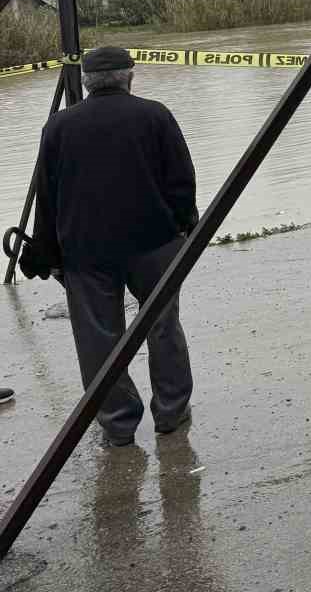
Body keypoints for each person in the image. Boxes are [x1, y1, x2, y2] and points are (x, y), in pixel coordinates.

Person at [34, 46, 197, 447]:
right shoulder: (155, 115)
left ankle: (118, 422)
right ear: (130, 76)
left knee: (97, 338)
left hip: (86, 252)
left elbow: (47, 197)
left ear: (87, 81)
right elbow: (181, 181)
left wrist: (49, 255)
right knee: (163, 326)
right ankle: (171, 413)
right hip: (154, 242)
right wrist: (185, 228)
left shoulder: (58, 126)